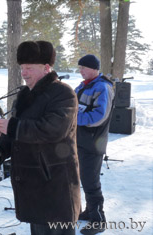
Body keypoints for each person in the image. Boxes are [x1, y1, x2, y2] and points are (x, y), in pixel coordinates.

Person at [0, 41, 80, 235]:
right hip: (32, 186)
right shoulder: (24, 95)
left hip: (56, 185)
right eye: (22, 67)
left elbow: (54, 130)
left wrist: (12, 126)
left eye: (29, 68)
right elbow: (13, 132)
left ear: (46, 68)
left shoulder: (63, 93)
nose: (24, 72)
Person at [75, 54, 114, 235]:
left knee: (91, 182)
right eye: (80, 68)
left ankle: (98, 219)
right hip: (79, 141)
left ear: (93, 68)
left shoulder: (102, 87)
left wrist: (75, 119)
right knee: (83, 178)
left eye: (83, 68)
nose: (80, 71)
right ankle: (90, 212)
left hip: (93, 143)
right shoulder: (82, 87)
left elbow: (99, 116)